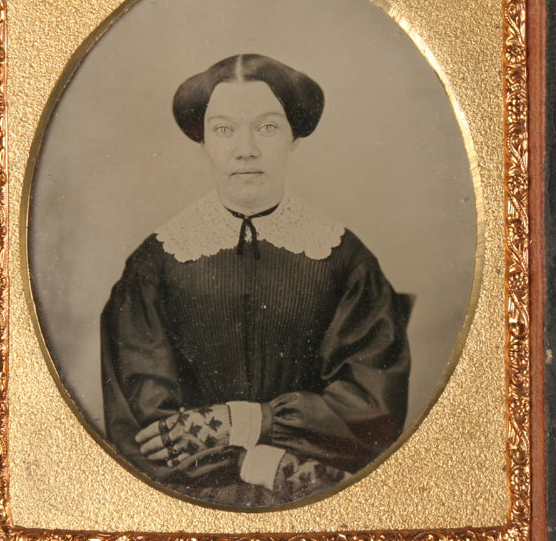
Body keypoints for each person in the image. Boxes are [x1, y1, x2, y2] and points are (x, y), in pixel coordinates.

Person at [101, 54, 411, 507]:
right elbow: (144, 430)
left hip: (317, 501)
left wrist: (246, 423)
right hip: (193, 504)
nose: (245, 149)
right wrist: (256, 463)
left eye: (266, 127)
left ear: (293, 138)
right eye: (224, 130)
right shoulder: (156, 263)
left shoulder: (344, 258)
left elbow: (373, 409)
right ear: (203, 141)